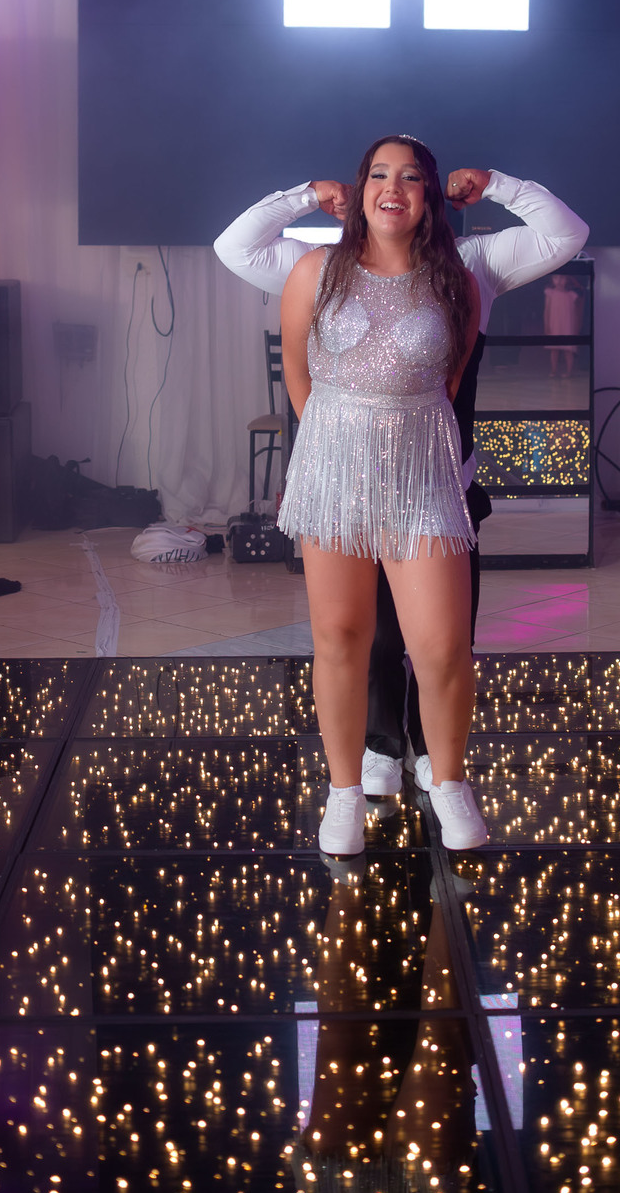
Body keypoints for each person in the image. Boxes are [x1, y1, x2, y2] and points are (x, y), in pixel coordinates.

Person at [215, 146, 589, 853]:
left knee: (443, 646)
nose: (394, 187)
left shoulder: (465, 269)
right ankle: (346, 791)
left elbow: (560, 240)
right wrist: (306, 192)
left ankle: (448, 782)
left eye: (411, 176)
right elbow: (293, 358)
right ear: (358, 192)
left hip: (424, 477)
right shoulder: (314, 268)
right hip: (335, 475)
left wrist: (498, 184)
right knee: (342, 639)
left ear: (432, 197)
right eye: (379, 175)